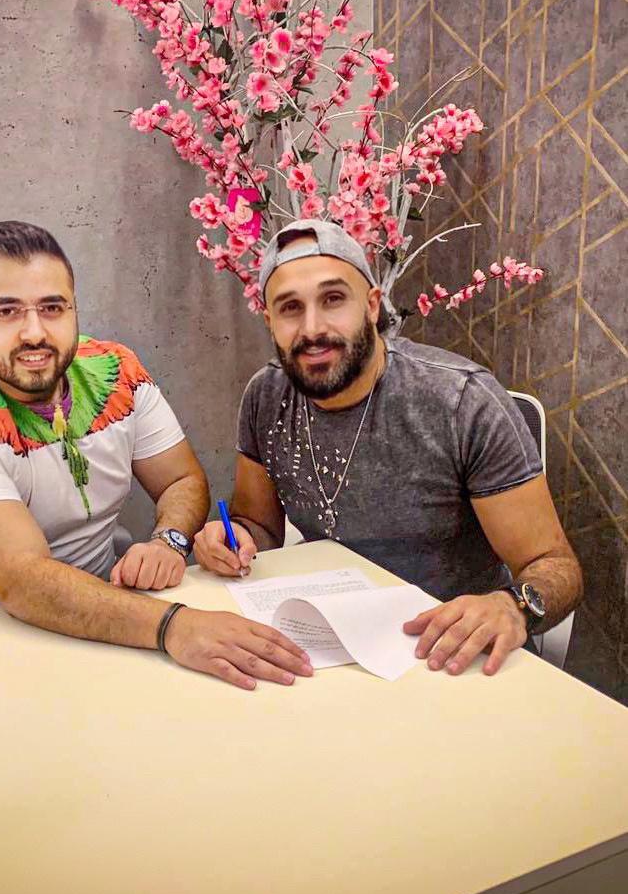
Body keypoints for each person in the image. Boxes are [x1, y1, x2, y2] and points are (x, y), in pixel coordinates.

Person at [0, 220, 312, 690]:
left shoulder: (118, 372)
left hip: (110, 627)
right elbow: (24, 583)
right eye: (7, 311)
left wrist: (168, 541)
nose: (34, 333)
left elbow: (181, 480)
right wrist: (175, 626)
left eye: (52, 308)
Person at [194, 219, 583, 676]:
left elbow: (555, 566)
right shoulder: (266, 395)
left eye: (333, 299)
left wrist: (513, 607)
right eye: (290, 308)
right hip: (331, 648)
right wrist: (234, 538)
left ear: (372, 305)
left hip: (451, 655)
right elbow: (257, 524)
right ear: (270, 321)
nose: (312, 328)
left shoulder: (461, 401)